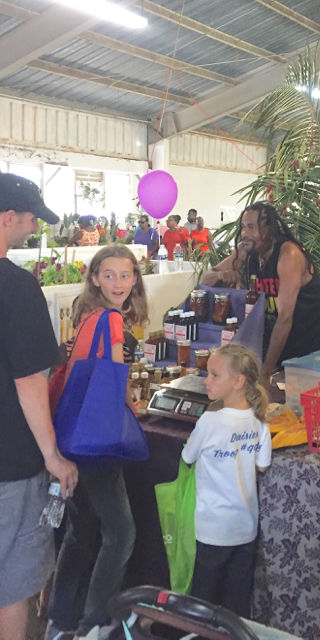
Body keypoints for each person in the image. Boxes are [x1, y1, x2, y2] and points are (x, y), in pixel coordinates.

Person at [46, 244, 149, 640]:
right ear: (94, 277)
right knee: (121, 532)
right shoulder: (112, 319)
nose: (118, 282)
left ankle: (60, 622)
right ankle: (97, 623)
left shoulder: (86, 313)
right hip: (98, 436)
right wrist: (132, 409)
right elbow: (117, 379)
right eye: (109, 275)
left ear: (135, 278)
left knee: (81, 529)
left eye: (125, 275)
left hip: (70, 432)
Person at [0, 173, 78, 640]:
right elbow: (29, 381)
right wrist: (52, 455)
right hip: (9, 465)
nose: (32, 228)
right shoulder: (15, 287)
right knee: (11, 583)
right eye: (30, 219)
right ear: (7, 218)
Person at [202, 202, 320, 387]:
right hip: (286, 343)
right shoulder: (247, 250)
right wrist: (221, 274)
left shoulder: (288, 255)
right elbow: (205, 279)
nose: (245, 234)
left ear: (268, 228)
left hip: (314, 342)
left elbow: (284, 317)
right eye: (243, 227)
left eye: (252, 227)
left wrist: (265, 372)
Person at [182, 343, 271, 618]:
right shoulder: (260, 423)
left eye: (214, 375)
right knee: (236, 606)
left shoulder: (209, 422)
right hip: (245, 528)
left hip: (212, 529)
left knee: (203, 604)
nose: (206, 380)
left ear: (238, 381)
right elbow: (262, 466)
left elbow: (187, 456)